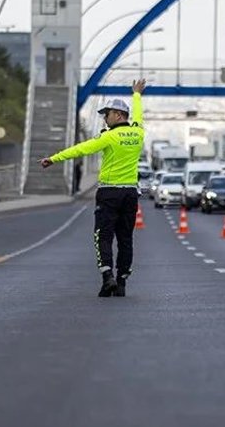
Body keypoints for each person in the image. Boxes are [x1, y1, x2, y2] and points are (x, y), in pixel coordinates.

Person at [41, 79, 146, 297]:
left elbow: (81, 149)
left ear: (117, 115)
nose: (105, 118)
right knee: (125, 238)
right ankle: (122, 281)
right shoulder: (138, 133)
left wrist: (54, 158)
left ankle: (107, 276)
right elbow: (138, 115)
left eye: (107, 114)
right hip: (130, 194)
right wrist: (137, 94)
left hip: (109, 193)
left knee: (103, 236)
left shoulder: (108, 137)